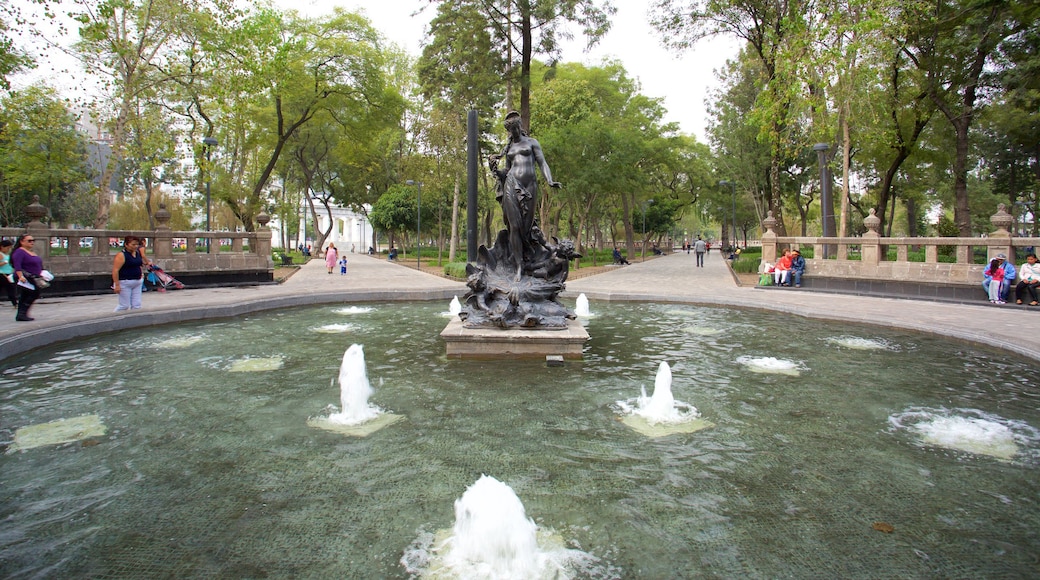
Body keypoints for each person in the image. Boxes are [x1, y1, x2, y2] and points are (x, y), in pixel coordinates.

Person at [488, 110, 561, 273]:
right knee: (514, 226)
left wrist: (549, 180)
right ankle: (519, 266)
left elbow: (542, 163)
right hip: (511, 184)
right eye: (511, 130)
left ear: (520, 126)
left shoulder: (532, 142)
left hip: (530, 186)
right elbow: (506, 171)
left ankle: (528, 257)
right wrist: (494, 170)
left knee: (526, 227)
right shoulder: (508, 149)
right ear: (508, 131)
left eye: (516, 128)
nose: (513, 132)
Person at [112, 235, 150, 311]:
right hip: (125, 281)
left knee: (136, 305)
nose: (135, 246)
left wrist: (141, 273)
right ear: (126, 244)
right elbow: (115, 270)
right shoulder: (122, 255)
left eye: (137, 244)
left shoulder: (137, 253)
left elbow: (139, 264)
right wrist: (117, 284)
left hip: (137, 281)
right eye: (133, 244)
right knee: (124, 305)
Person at [11, 233, 44, 321]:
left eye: (33, 240)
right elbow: (17, 265)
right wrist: (20, 276)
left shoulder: (31, 251)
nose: (32, 242)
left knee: (25, 295)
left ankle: (21, 314)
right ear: (22, 242)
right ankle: (22, 313)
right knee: (33, 293)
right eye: (29, 241)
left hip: (34, 277)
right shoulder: (19, 252)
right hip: (26, 277)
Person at [0, 239, 17, 307]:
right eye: (7, 248)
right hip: (2, 274)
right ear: (2, 247)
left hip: (9, 274)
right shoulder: (1, 254)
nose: (8, 249)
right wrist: (4, 263)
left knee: (11, 289)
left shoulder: (8, 254)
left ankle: (14, 303)